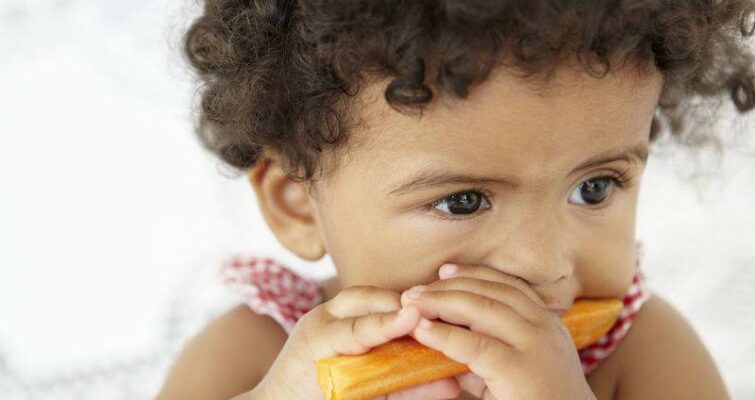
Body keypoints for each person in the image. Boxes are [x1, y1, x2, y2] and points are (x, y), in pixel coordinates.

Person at [157, 1, 754, 399]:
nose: (544, 265)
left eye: (593, 188)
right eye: (463, 202)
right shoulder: (261, 352)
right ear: (298, 204)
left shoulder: (636, 351)